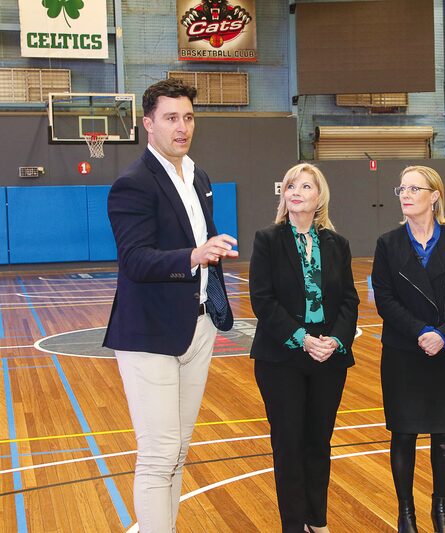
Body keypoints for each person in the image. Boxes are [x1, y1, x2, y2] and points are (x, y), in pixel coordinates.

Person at [104, 78, 238, 533]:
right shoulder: (133, 184)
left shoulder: (197, 176)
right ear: (148, 124)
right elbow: (135, 260)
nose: (182, 127)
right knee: (158, 453)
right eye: (171, 118)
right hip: (149, 335)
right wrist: (194, 256)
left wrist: (212, 269)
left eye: (188, 117)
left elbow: (204, 242)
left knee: (178, 450)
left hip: (196, 330)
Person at [249, 163, 359, 533]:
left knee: (318, 443)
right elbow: (263, 302)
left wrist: (336, 340)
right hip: (282, 357)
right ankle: (294, 525)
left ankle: (318, 519)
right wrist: (302, 338)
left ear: (319, 197)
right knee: (289, 445)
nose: (296, 191)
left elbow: (349, 300)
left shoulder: (337, 244)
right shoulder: (268, 240)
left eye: (306, 186)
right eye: (291, 185)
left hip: (329, 356)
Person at [371, 166, 445, 533]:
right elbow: (384, 299)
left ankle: (441, 511)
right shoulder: (388, 244)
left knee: (444, 437)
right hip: (404, 351)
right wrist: (421, 332)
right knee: (404, 434)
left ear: (435, 196)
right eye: (402, 187)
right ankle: (406, 513)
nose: (406, 193)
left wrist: (444, 334)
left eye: (415, 188)